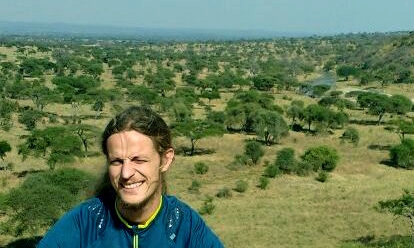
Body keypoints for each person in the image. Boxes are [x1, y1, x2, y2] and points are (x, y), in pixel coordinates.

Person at [37, 105, 224, 248]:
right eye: (117, 161)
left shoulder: (185, 226)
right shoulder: (85, 223)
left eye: (138, 160)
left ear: (165, 160)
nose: (126, 173)